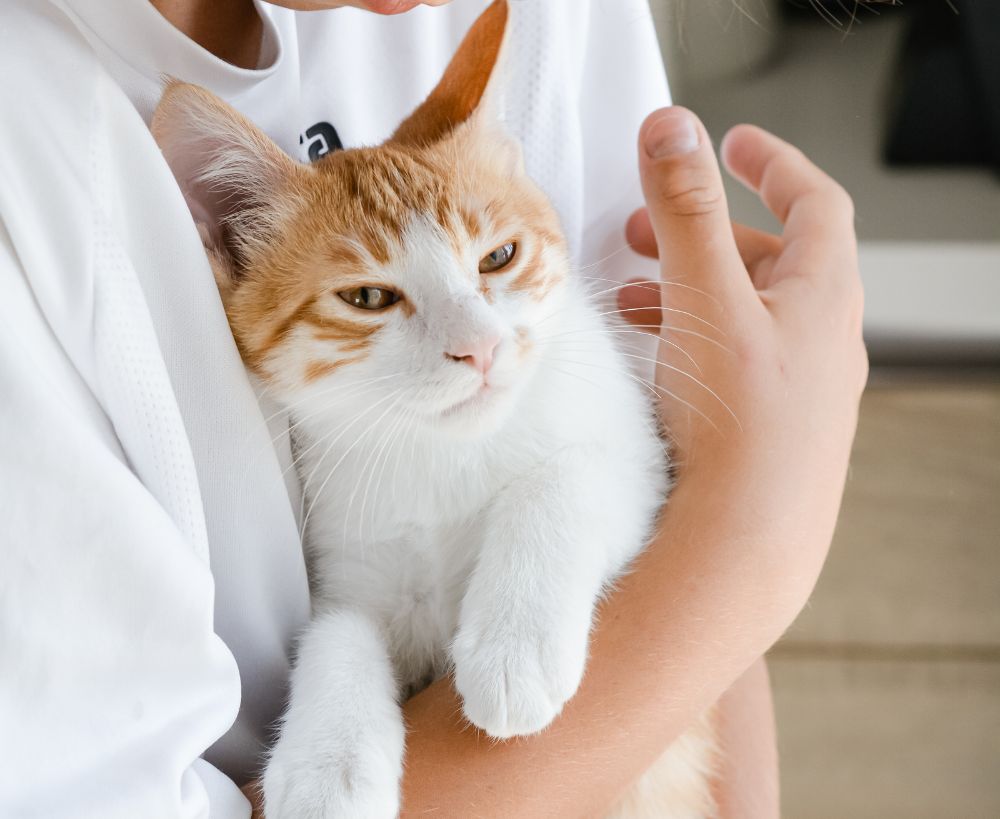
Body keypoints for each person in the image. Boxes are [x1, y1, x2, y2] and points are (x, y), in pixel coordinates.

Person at [0, 1, 866, 817]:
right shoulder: (37, 145)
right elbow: (717, 540)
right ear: (227, 234)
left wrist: (737, 533)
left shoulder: (542, 27)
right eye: (373, 295)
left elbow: (679, 509)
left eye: (496, 259)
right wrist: (753, 543)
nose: (475, 344)